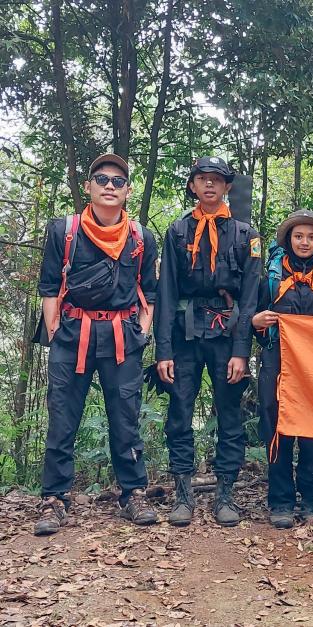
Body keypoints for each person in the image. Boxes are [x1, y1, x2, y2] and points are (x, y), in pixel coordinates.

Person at [35, 153, 159, 535]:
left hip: (122, 337)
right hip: (72, 335)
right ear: (88, 186)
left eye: (118, 181)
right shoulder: (65, 231)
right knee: (62, 417)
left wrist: (142, 329)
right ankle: (54, 499)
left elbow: (149, 292)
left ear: (127, 191)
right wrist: (55, 328)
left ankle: (132, 494)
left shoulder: (140, 237)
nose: (110, 185)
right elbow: (50, 284)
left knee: (125, 418)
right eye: (102, 179)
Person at [154, 156, 261, 527]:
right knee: (179, 412)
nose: (210, 185)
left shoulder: (247, 234)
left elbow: (249, 298)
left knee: (230, 414)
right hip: (184, 333)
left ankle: (225, 494)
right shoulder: (178, 231)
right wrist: (162, 350)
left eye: (217, 180)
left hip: (227, 332)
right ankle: (183, 493)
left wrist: (241, 352)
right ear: (193, 185)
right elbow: (165, 290)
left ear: (228, 187)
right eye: (202, 179)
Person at [253, 210, 313, 529]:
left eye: (311, 237)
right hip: (276, 362)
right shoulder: (270, 275)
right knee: (277, 429)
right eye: (299, 236)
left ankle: (311, 498)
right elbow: (252, 317)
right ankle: (280, 501)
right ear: (288, 240)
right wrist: (257, 323)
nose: (304, 242)